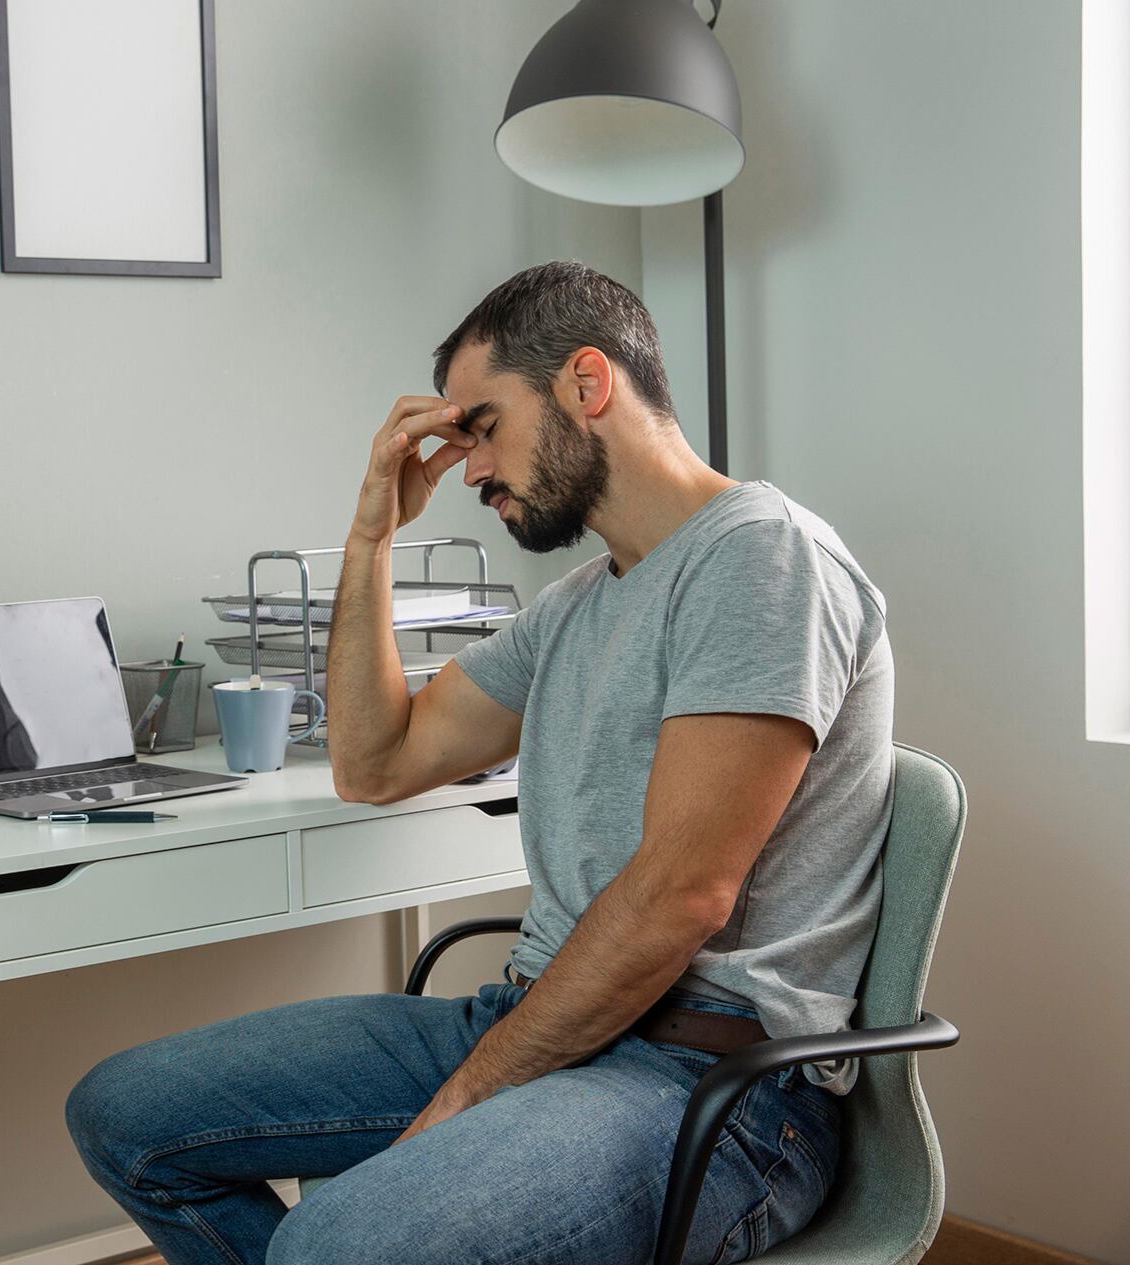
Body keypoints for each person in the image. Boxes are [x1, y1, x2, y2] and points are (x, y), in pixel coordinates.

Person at [65, 261, 893, 1265]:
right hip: (542, 1017)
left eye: (485, 425)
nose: (471, 470)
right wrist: (372, 529)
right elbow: (374, 760)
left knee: (335, 1246)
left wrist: (461, 1102)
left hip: (711, 1083)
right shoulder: (580, 605)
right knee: (127, 1112)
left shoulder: (761, 558)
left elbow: (681, 896)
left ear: (588, 383)